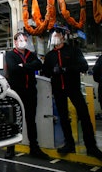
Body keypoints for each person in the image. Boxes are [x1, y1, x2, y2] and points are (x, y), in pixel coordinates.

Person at [43, 26, 102, 159]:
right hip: (58, 90)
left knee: (84, 116)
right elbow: (45, 72)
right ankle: (69, 144)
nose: (55, 37)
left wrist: (66, 69)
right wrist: (53, 70)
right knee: (64, 118)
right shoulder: (49, 56)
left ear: (63, 36)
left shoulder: (74, 51)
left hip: (73, 88)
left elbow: (84, 66)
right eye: (53, 34)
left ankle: (91, 147)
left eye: (57, 34)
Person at [4, 32, 49, 159]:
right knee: (14, 121)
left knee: (31, 120)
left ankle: (34, 148)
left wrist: (23, 65)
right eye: (20, 40)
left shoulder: (31, 54)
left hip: (30, 92)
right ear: (15, 42)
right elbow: (13, 69)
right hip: (17, 92)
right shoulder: (10, 55)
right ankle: (10, 149)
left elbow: (39, 64)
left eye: (24, 39)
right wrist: (28, 67)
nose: (23, 42)